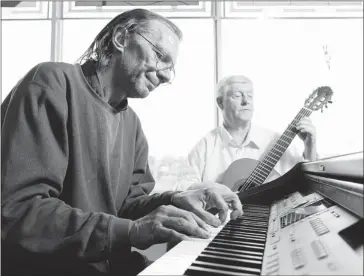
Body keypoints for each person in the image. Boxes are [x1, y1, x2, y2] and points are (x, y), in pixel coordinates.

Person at [1, 9, 243, 276]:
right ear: (120, 38)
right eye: (160, 56)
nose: (165, 76)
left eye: (170, 69)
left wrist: (177, 199)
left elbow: (126, 207)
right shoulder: (52, 83)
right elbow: (18, 212)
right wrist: (132, 231)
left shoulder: (133, 125)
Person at [185, 75, 318, 189]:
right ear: (220, 103)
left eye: (250, 96)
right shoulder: (205, 146)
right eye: (237, 96)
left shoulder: (276, 141)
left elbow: (307, 183)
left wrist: (310, 146)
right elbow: (185, 186)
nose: (246, 101)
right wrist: (214, 191)